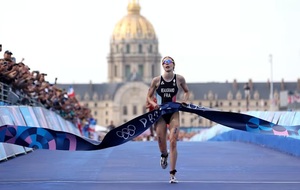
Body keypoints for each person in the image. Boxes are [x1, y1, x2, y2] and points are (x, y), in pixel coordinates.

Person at [147, 56, 189, 183]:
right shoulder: (156, 81)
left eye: (169, 62)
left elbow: (187, 91)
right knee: (161, 142)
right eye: (164, 62)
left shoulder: (179, 79)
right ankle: (164, 155)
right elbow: (149, 96)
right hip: (161, 114)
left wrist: (184, 101)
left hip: (174, 113)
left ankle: (172, 174)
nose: (167, 64)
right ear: (162, 65)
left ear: (173, 65)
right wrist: (153, 104)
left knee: (173, 141)